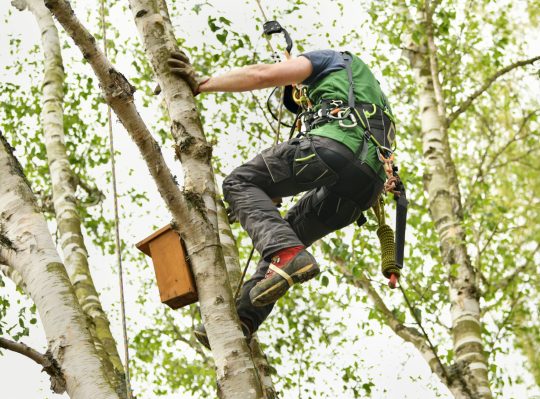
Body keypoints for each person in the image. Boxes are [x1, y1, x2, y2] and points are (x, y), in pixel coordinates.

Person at [167, 49, 397, 348]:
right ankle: (245, 317)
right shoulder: (368, 92)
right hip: (366, 185)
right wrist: (268, 194)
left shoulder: (327, 60)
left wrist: (201, 83)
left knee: (239, 182)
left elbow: (261, 74)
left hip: (335, 146)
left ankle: (286, 255)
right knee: (290, 232)